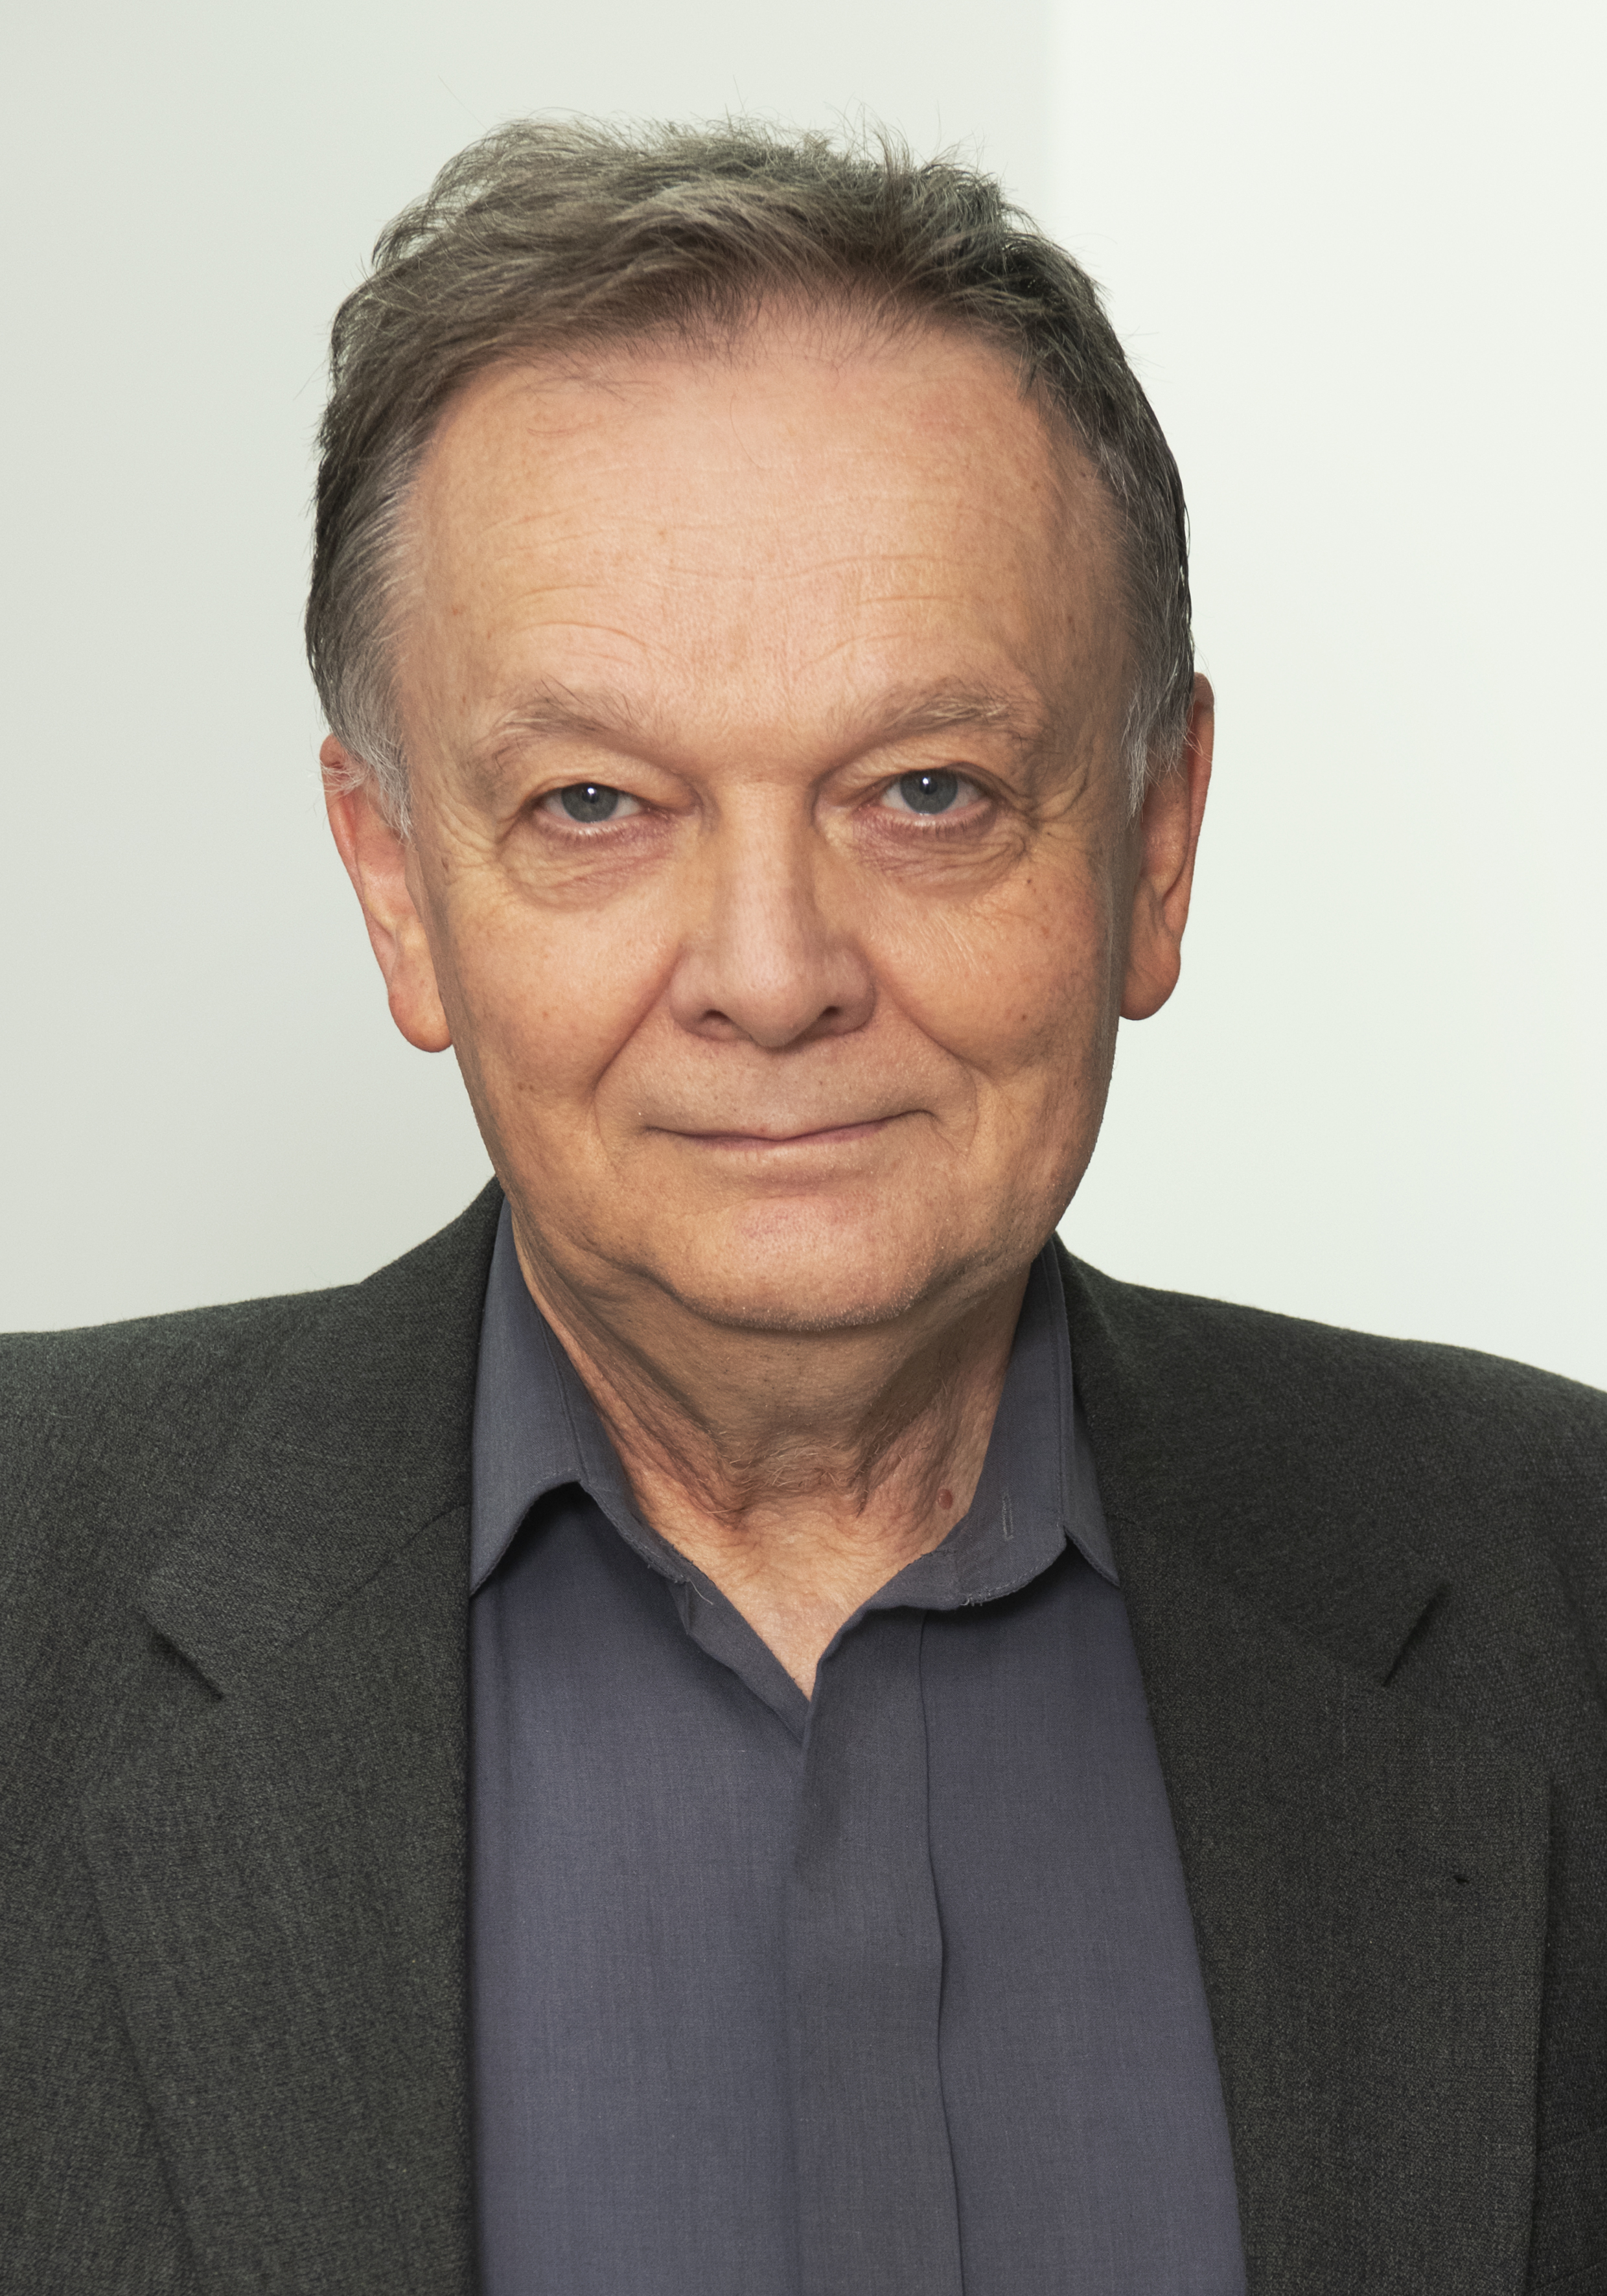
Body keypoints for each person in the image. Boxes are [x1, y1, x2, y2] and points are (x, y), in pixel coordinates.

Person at [3, 118, 1602, 2296]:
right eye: (595, 803)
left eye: (927, 791)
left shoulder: (1569, 1592)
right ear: (395, 887)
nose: (772, 974)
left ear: (1156, 845)